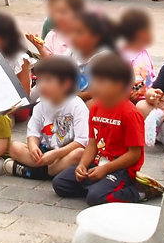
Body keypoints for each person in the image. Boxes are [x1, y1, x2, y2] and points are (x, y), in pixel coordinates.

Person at [52, 52, 148, 204]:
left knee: (96, 198)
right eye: (93, 81)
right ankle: (99, 186)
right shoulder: (95, 108)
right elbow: (92, 144)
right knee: (60, 184)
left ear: (120, 85)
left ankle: (137, 192)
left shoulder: (130, 114)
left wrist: (106, 169)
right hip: (98, 162)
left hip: (121, 169)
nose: (94, 87)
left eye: (101, 82)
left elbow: (134, 154)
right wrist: (82, 165)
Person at [5, 56, 90, 180]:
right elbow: (33, 132)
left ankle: (36, 173)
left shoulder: (77, 105)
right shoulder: (40, 104)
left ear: (66, 84)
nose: (41, 86)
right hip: (45, 151)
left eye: (48, 81)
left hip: (66, 152)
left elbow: (82, 141)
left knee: (79, 154)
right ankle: (50, 171)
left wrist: (56, 154)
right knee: (14, 147)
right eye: (40, 81)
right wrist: (33, 146)